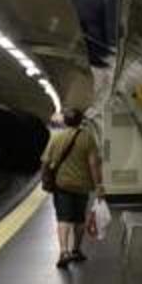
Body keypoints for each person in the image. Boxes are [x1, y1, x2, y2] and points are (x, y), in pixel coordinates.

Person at [41, 108, 104, 268]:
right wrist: (99, 185)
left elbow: (45, 161)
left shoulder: (57, 137)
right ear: (81, 121)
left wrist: (45, 180)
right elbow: (93, 165)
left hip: (62, 185)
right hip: (82, 185)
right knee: (79, 219)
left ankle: (63, 252)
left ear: (65, 121)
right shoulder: (88, 138)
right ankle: (76, 249)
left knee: (63, 219)